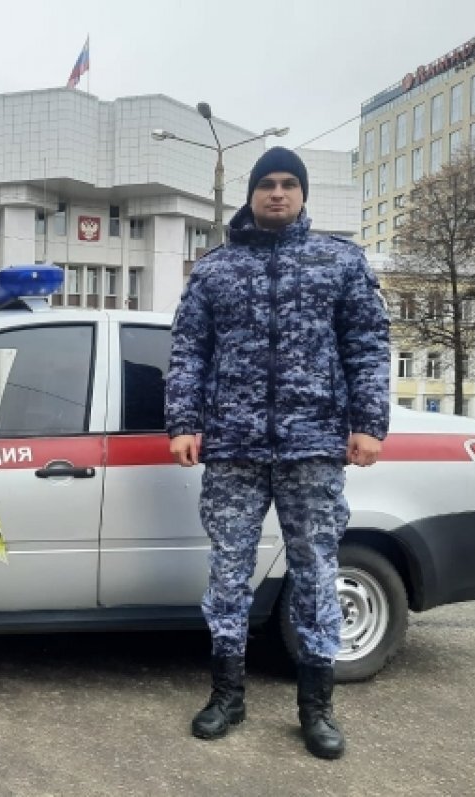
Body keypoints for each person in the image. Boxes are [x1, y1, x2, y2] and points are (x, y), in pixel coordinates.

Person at [164, 147, 390, 760]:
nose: (278, 193)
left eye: (290, 184)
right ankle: (227, 695)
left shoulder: (340, 262)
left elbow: (367, 345)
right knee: (228, 575)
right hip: (233, 447)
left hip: (313, 446)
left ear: (303, 193)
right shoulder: (215, 270)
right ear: (253, 194)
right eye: (267, 184)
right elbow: (189, 352)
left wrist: (369, 423)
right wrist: (184, 422)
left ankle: (316, 708)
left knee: (317, 573)